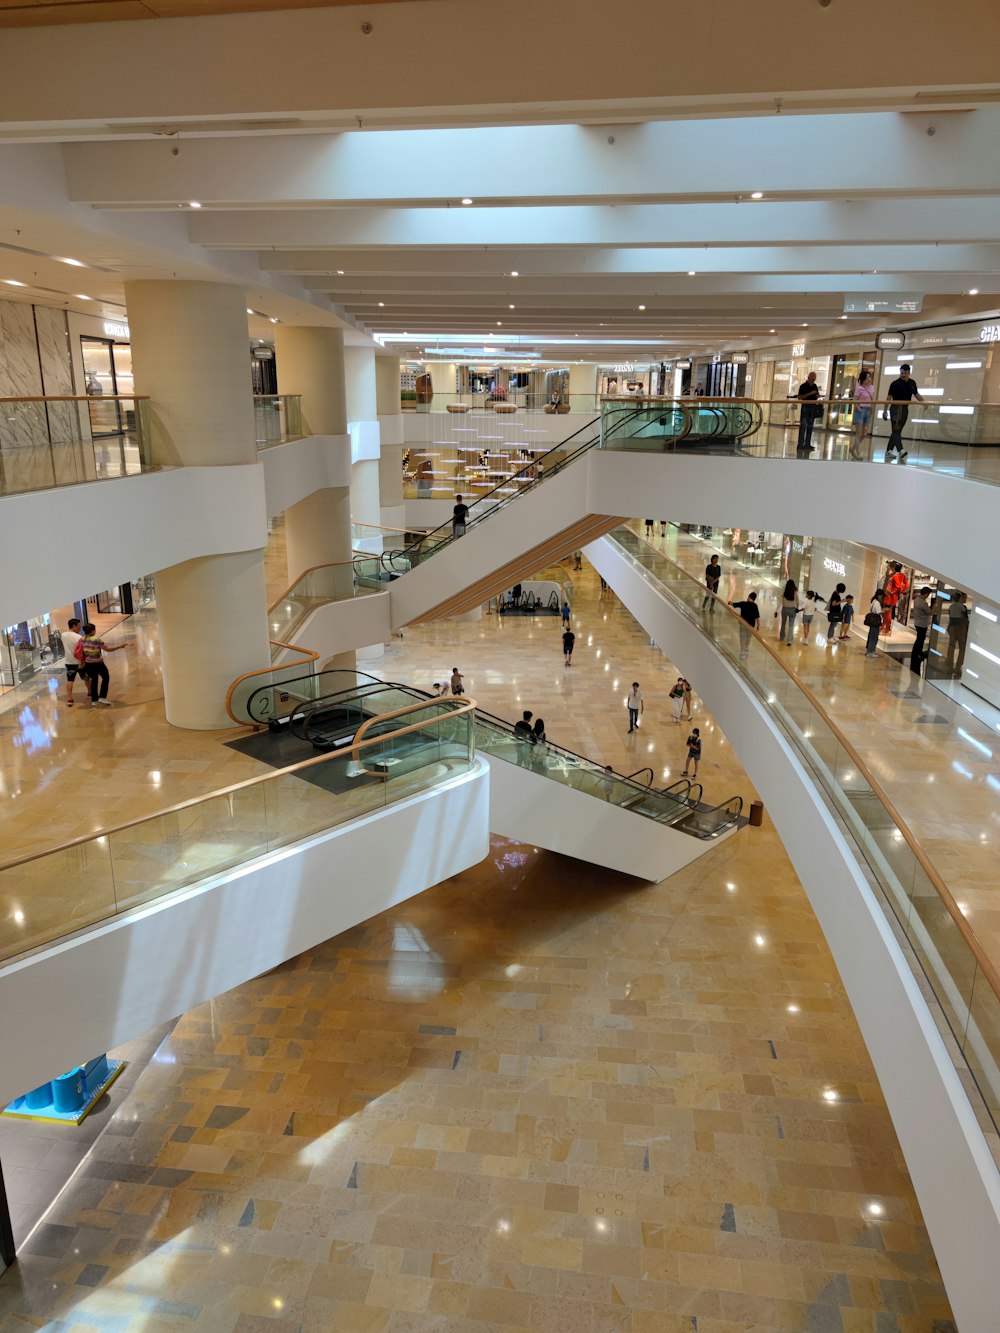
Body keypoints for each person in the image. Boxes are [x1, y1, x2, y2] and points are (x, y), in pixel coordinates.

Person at [77, 623, 132, 707]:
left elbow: (82, 652)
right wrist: (120, 646)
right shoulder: (97, 639)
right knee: (106, 677)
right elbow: (108, 649)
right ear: (92, 631)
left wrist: (81, 663)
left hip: (88, 664)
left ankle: (94, 700)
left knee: (94, 681)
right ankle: (102, 697)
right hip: (98, 663)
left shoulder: (82, 639)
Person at [883, 363, 923, 462]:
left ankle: (889, 451)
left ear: (909, 373)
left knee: (897, 431)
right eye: (901, 373)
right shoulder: (895, 384)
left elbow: (916, 394)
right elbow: (888, 398)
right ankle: (901, 450)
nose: (903, 375)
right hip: (896, 409)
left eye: (905, 373)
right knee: (896, 430)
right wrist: (885, 410)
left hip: (905, 409)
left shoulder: (912, 383)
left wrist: (924, 403)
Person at [62, 616, 88, 707]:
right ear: (73, 626)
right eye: (78, 626)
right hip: (79, 662)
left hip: (69, 662)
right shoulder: (79, 637)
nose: (79, 628)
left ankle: (69, 699)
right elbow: (81, 651)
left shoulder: (63, 635)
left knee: (70, 680)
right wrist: (83, 662)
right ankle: (90, 693)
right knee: (86, 678)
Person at [795, 371, 823, 452]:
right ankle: (800, 444)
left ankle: (807, 443)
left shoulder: (815, 386)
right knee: (803, 426)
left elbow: (817, 395)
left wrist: (817, 396)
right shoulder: (803, 386)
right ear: (808, 378)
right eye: (812, 379)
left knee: (810, 426)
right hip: (805, 407)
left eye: (814, 379)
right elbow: (800, 397)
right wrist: (810, 393)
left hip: (813, 408)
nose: (813, 381)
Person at [851, 370, 875, 459]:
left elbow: (872, 400)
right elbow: (854, 399)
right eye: (867, 378)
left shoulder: (872, 388)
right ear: (863, 380)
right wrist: (858, 408)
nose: (869, 379)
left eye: (870, 377)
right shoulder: (859, 388)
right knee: (859, 433)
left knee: (864, 434)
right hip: (860, 410)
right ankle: (858, 452)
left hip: (868, 410)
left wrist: (871, 408)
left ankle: (852, 448)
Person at [909, 587, 933, 675]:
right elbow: (929, 612)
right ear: (926, 594)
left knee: (919, 638)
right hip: (922, 623)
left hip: (918, 622)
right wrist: (934, 607)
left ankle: (916, 652)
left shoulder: (917, 599)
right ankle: (918, 652)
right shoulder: (922, 603)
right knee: (920, 639)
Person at [945, 591, 970, 675]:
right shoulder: (962, 607)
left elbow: (950, 619)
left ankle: (949, 667)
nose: (966, 599)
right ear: (961, 598)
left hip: (952, 628)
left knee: (951, 647)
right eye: (965, 597)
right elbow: (965, 619)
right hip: (961, 629)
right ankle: (958, 667)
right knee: (962, 648)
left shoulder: (951, 606)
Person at [730, 591, 760, 659]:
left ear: (749, 597)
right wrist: (758, 625)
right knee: (748, 638)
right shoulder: (755, 606)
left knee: (742, 638)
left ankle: (743, 652)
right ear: (754, 599)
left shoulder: (743, 603)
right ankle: (746, 649)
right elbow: (757, 617)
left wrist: (729, 602)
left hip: (743, 624)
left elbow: (733, 604)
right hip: (751, 626)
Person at [882, 563, 909, 635]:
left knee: (888, 612)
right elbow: (906, 585)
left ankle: (886, 629)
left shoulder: (896, 576)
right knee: (889, 612)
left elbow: (899, 586)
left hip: (890, 596)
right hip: (894, 596)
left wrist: (892, 591)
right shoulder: (902, 576)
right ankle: (886, 628)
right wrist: (902, 591)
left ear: (894, 568)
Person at [777, 579, 800, 644]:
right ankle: (789, 640)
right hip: (792, 610)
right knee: (791, 625)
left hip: (784, 609)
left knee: (783, 624)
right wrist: (797, 607)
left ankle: (782, 637)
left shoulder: (784, 592)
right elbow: (798, 601)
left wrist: (776, 610)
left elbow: (780, 602)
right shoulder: (795, 592)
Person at [864, 591, 884, 657]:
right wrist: (884, 611)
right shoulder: (877, 603)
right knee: (874, 637)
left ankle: (869, 650)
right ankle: (871, 651)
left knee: (871, 636)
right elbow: (878, 612)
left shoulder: (873, 601)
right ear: (879, 596)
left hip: (872, 622)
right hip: (876, 622)